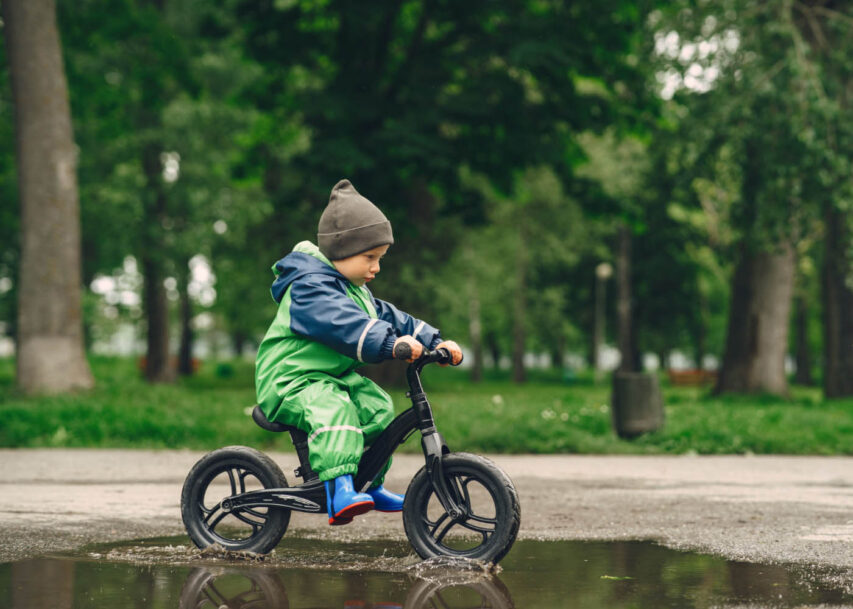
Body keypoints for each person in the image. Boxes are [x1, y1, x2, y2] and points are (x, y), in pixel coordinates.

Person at [254, 179, 463, 525]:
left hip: (329, 378)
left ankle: (369, 482)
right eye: (370, 257)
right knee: (334, 409)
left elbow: (390, 316)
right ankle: (340, 490)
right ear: (341, 250)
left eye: (379, 258)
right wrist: (390, 344)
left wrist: (434, 341)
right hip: (290, 381)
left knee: (377, 406)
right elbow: (344, 325)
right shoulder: (309, 289)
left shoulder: (354, 291)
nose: (376, 267)